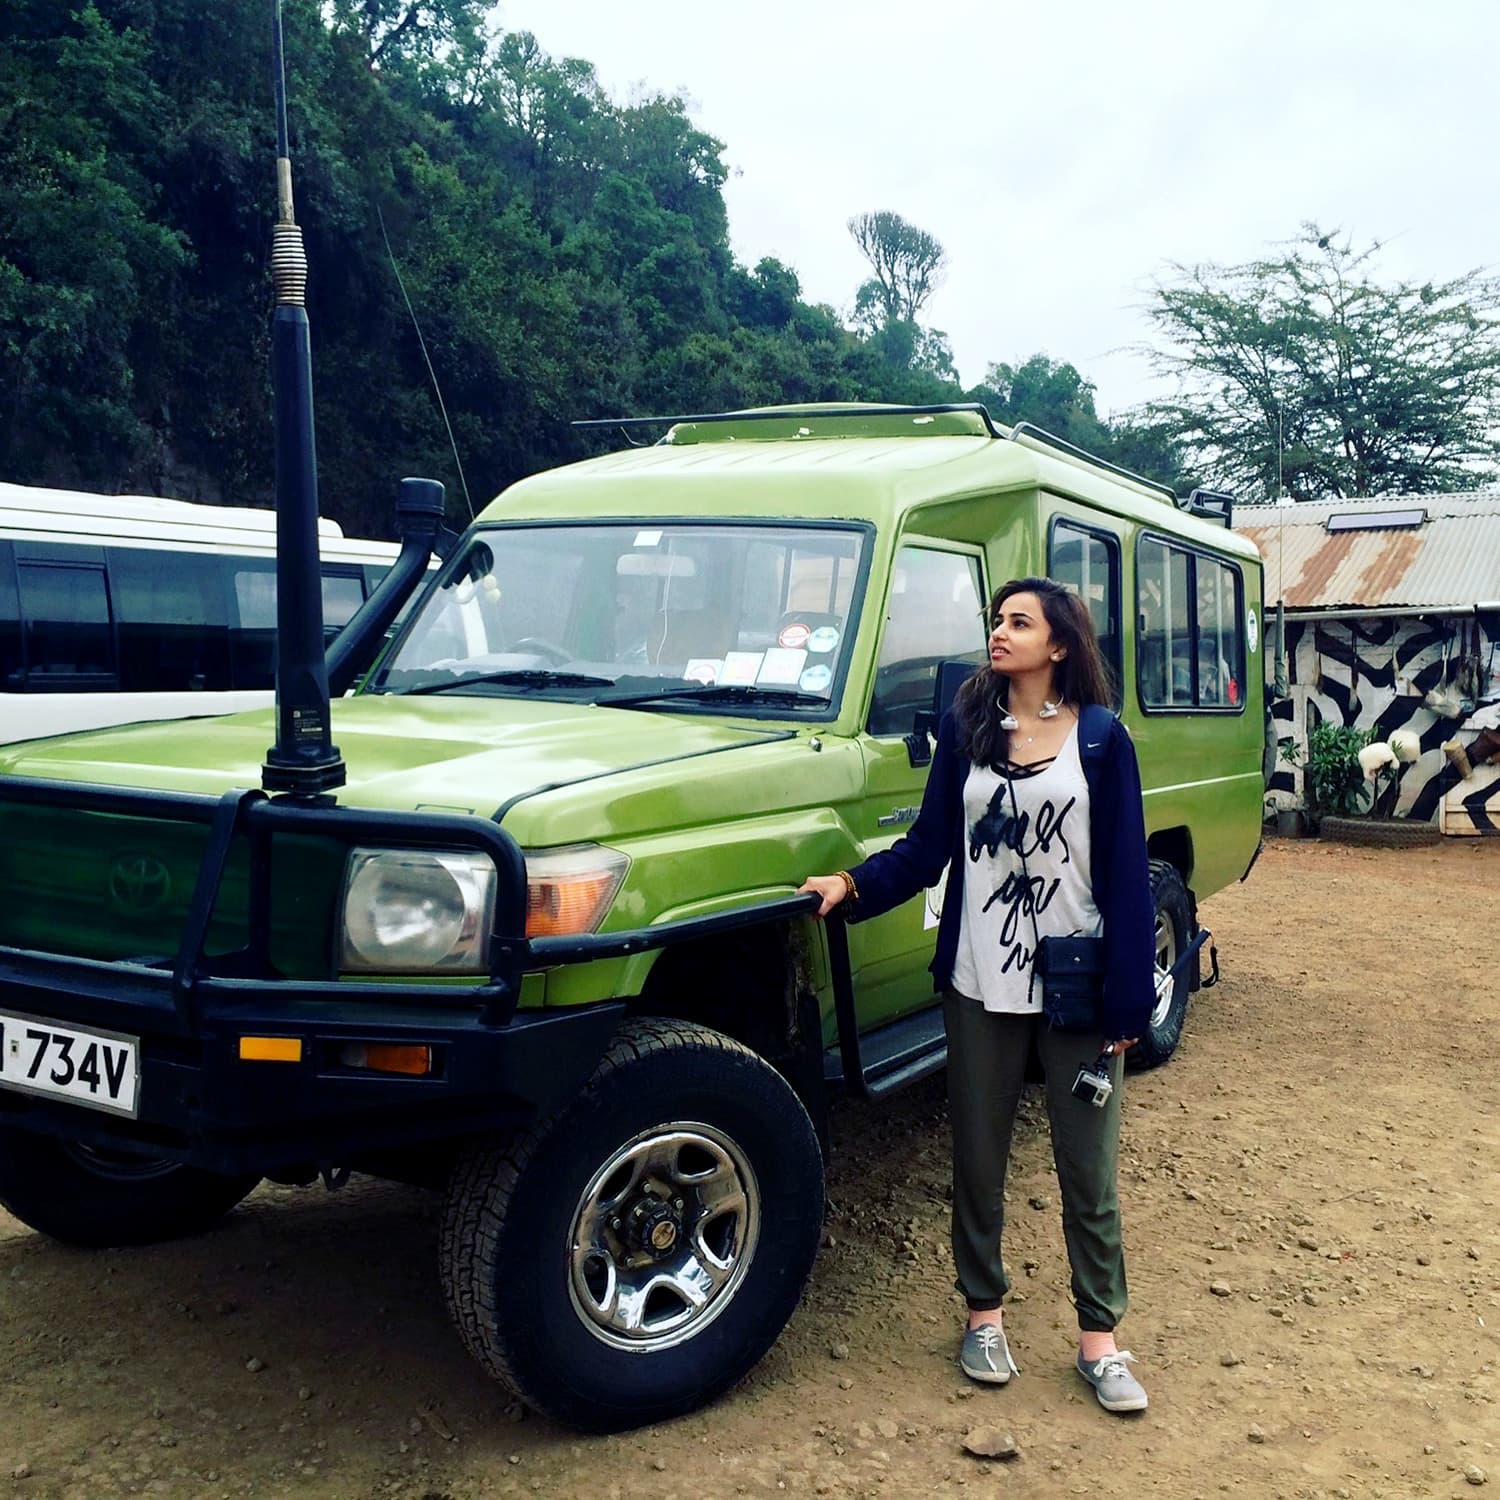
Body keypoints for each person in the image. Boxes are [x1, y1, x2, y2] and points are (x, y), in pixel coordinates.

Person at [799, 576, 1157, 1414]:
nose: (1000, 633)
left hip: (1075, 984)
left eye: (1019, 622)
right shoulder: (969, 734)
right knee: (978, 1156)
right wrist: (851, 886)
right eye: (997, 619)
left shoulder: (1101, 742)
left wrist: (1128, 1002)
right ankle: (983, 1314)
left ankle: (1100, 1341)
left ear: (1059, 644)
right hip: (976, 978)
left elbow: (1128, 880)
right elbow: (927, 850)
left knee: (1088, 1168)